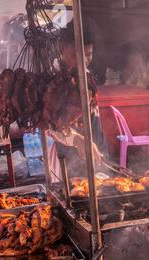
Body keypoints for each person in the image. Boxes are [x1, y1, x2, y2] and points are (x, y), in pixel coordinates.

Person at [49, 21, 108, 179]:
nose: (84, 61)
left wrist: (100, 153)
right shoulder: (52, 80)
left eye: (88, 55)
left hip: (93, 148)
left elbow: (95, 119)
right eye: (76, 55)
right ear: (62, 48)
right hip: (64, 158)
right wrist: (78, 140)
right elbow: (51, 126)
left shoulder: (86, 75)